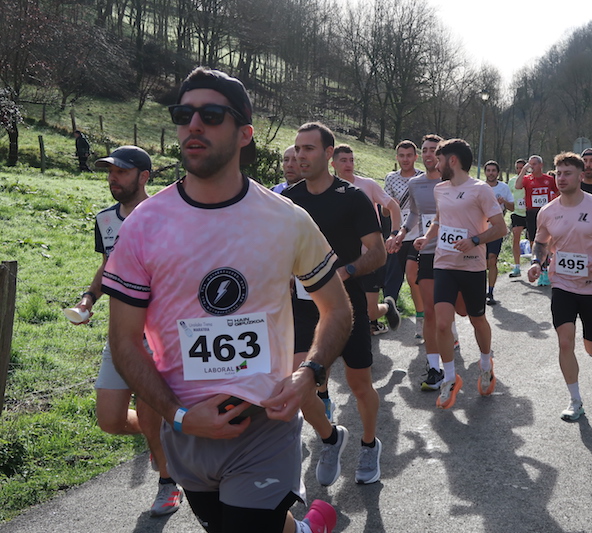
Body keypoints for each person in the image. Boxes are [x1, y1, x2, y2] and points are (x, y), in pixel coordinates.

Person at [102, 68, 344, 533]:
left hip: (265, 423)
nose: (193, 125)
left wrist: (308, 374)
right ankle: (309, 528)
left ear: (244, 133)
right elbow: (125, 340)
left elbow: (337, 308)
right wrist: (178, 416)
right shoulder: (142, 226)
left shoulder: (286, 220)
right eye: (183, 114)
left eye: (211, 115)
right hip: (187, 427)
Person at [71, 146, 182, 517]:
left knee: (150, 416)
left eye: (120, 171)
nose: (112, 178)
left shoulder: (167, 215)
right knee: (111, 420)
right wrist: (88, 299)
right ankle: (165, 435)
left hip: (159, 336)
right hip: (120, 334)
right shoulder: (105, 219)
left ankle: (168, 483)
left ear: (144, 176)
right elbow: (109, 266)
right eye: (109, 172)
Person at [283, 122, 386, 487]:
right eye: (297, 148)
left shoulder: (351, 197)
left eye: (309, 148)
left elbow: (378, 252)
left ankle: (370, 444)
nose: (300, 155)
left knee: (359, 384)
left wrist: (343, 272)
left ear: (328, 153)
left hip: (346, 304)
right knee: (299, 385)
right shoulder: (290, 199)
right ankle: (330, 438)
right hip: (302, 305)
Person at [527, 152, 592, 421]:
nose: (561, 178)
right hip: (562, 284)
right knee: (564, 341)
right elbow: (541, 242)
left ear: (580, 176)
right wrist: (536, 263)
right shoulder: (548, 211)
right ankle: (575, 400)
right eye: (558, 173)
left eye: (567, 173)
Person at [414, 139, 506, 410]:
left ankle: (486, 364)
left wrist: (475, 240)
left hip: (472, 266)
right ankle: (450, 378)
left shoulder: (480, 190)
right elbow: (439, 220)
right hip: (444, 264)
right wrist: (427, 237)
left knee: (477, 319)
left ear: (452, 160)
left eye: (439, 159)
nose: (435, 164)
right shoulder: (440, 189)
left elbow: (500, 227)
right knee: (442, 323)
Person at [330, 144, 402, 335]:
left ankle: (387, 307)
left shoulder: (368, 185)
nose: (348, 164)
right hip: (339, 258)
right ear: (333, 164)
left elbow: (393, 206)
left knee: (370, 312)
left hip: (369, 256)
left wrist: (394, 233)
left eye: (351, 160)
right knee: (344, 307)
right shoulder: (327, 189)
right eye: (343, 160)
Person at [395, 134, 447, 390]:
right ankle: (435, 368)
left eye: (433, 150)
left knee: (460, 311)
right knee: (430, 310)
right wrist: (402, 232)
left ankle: (483, 359)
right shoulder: (415, 184)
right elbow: (415, 213)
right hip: (427, 250)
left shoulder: (453, 183)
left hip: (454, 252)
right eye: (425, 150)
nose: (428, 154)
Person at [383, 140, 426, 338]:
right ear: (397, 157)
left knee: (413, 276)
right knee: (393, 274)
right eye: (401, 155)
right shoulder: (391, 178)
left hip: (420, 234)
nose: (405, 159)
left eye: (409, 155)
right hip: (399, 233)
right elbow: (385, 211)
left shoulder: (423, 177)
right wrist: (390, 205)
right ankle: (389, 306)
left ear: (416, 157)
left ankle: (421, 319)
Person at [515, 155, 559, 285]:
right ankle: (539, 267)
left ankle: (545, 270)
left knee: (546, 241)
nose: (531, 167)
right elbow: (517, 186)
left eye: (534, 164)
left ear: (541, 165)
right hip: (532, 213)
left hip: (546, 213)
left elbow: (558, 193)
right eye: (530, 164)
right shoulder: (527, 179)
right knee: (533, 241)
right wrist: (523, 170)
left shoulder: (549, 179)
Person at [483, 160, 514, 305]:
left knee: (492, 259)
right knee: (482, 263)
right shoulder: (479, 187)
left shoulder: (504, 187)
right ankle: (480, 290)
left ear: (498, 173)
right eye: (488, 170)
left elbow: (512, 207)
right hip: (481, 229)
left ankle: (490, 292)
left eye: (493, 170)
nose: (491, 173)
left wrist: (504, 202)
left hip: (496, 229)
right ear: (485, 172)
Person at [508, 158, 528, 278]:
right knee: (515, 238)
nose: (520, 170)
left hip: (530, 212)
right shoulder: (512, 181)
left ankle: (538, 265)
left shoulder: (531, 179)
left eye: (522, 168)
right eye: (518, 168)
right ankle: (517, 267)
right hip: (518, 213)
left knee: (534, 240)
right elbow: (509, 194)